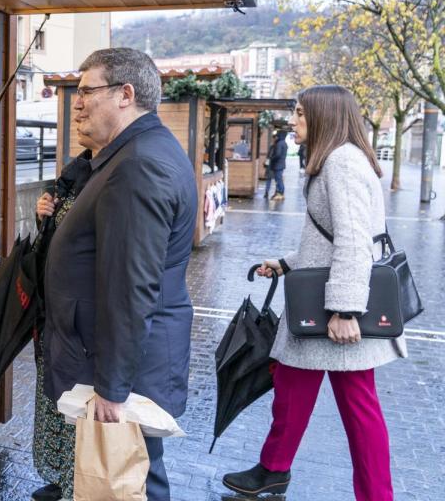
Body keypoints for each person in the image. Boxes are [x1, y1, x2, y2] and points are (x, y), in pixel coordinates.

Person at [222, 85, 405, 500]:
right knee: (291, 387)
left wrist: (344, 310)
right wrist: (287, 263)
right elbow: (328, 238)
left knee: (359, 410)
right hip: (322, 306)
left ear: (324, 116)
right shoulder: (338, 160)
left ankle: (378, 495)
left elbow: (356, 241)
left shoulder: (341, 163)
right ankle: (273, 469)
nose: (293, 121)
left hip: (337, 312)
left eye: (301, 114)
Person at [42, 48, 197, 501]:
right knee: (131, 475)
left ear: (125, 95)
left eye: (87, 91)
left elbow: (130, 287)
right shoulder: (130, 154)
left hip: (120, 371)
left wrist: (112, 388)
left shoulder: (137, 166)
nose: (77, 102)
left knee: (133, 482)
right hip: (119, 362)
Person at [30, 148, 93, 501]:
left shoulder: (112, 173)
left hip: (80, 315)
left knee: (75, 400)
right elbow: (51, 239)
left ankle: (77, 483)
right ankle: (59, 475)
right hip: (54, 310)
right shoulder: (77, 168)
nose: (80, 110)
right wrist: (44, 215)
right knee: (53, 395)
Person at [264, 131, 288, 200]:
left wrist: (272, 158)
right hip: (280, 164)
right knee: (278, 179)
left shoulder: (279, 144)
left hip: (278, 164)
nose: (276, 137)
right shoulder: (284, 143)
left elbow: (277, 154)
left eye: (277, 136)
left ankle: (280, 192)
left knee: (278, 179)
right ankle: (279, 192)